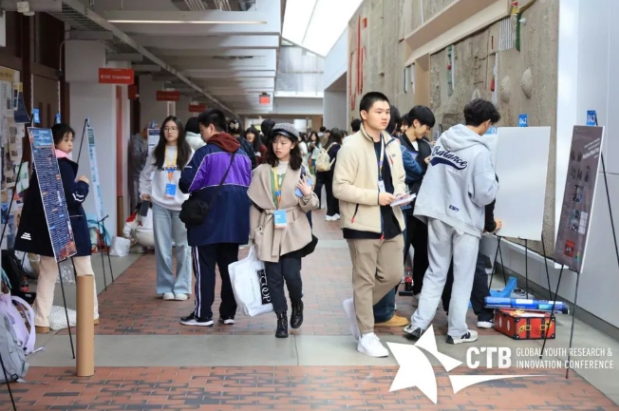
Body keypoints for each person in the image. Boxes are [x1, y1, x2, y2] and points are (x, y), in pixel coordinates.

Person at [404, 99, 500, 345]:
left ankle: (418, 323)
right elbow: (484, 194)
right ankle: (457, 331)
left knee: (435, 272)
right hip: (464, 219)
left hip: (437, 213)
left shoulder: (443, 142)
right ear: (487, 123)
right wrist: (495, 185)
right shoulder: (480, 151)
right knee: (462, 276)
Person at [333, 92, 409, 358]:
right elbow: (339, 188)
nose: (385, 116)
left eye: (387, 112)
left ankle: (357, 305)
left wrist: (400, 192)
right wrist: (375, 197)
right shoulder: (350, 146)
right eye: (379, 111)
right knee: (364, 279)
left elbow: (399, 178)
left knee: (393, 275)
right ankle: (366, 335)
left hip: (392, 219)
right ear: (364, 114)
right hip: (362, 222)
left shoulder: (392, 144)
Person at [15, 123, 99, 334]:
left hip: (48, 227)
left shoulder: (42, 165)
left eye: (71, 140)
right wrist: (83, 184)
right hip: (71, 225)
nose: (70, 144)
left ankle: (41, 319)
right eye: (66, 140)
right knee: (84, 270)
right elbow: (73, 198)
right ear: (55, 141)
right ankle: (91, 313)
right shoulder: (64, 166)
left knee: (47, 272)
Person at [179, 109, 252, 326]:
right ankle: (228, 314)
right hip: (235, 222)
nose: (201, 135)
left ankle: (203, 314)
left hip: (207, 221)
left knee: (204, 268)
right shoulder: (243, 154)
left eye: (202, 130)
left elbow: (187, 183)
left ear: (211, 127)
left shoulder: (205, 153)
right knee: (229, 268)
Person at [248, 123, 319, 338]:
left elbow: (311, 205)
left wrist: (307, 193)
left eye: (284, 142)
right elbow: (255, 206)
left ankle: (297, 303)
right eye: (275, 142)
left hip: (292, 231)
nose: (278, 146)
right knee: (273, 279)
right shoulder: (261, 171)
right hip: (268, 230)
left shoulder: (301, 171)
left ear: (293, 145)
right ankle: (281, 318)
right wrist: (254, 234)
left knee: (291, 275)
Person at [372, 106, 419, 328]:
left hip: (369, 213)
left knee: (374, 266)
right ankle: (383, 312)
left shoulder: (363, 147)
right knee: (392, 265)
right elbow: (416, 169)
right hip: (393, 212)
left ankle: (373, 309)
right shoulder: (395, 146)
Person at [140, 115, 193, 301]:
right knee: (162, 247)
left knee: (183, 247)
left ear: (180, 131)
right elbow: (145, 175)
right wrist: (144, 192)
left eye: (173, 128)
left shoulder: (188, 152)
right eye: (166, 128)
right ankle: (165, 287)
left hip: (182, 205)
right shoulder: (157, 152)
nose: (169, 131)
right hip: (160, 205)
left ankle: (182, 287)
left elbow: (195, 177)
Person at [442, 200, 502, 328]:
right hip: (465, 225)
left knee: (449, 269)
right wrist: (490, 225)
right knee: (474, 268)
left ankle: (451, 312)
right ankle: (484, 314)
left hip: (443, 220)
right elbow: (484, 197)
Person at [399, 106, 436, 303]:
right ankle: (389, 297)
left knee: (423, 250)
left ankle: (418, 289)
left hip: (423, 207)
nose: (427, 131)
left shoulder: (425, 146)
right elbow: (401, 175)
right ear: (415, 123)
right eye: (426, 127)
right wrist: (423, 166)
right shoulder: (398, 145)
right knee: (400, 251)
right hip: (404, 208)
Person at [129, 124, 153, 211]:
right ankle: (137, 217)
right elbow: (135, 156)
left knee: (145, 201)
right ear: (146, 130)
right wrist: (147, 153)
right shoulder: (136, 140)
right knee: (137, 201)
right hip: (137, 175)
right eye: (151, 132)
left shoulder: (145, 141)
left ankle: (144, 216)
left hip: (145, 175)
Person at [322, 128, 343, 221]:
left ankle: (332, 212)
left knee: (329, 192)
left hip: (326, 171)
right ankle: (332, 213)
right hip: (333, 172)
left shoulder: (328, 145)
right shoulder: (336, 146)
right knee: (334, 193)